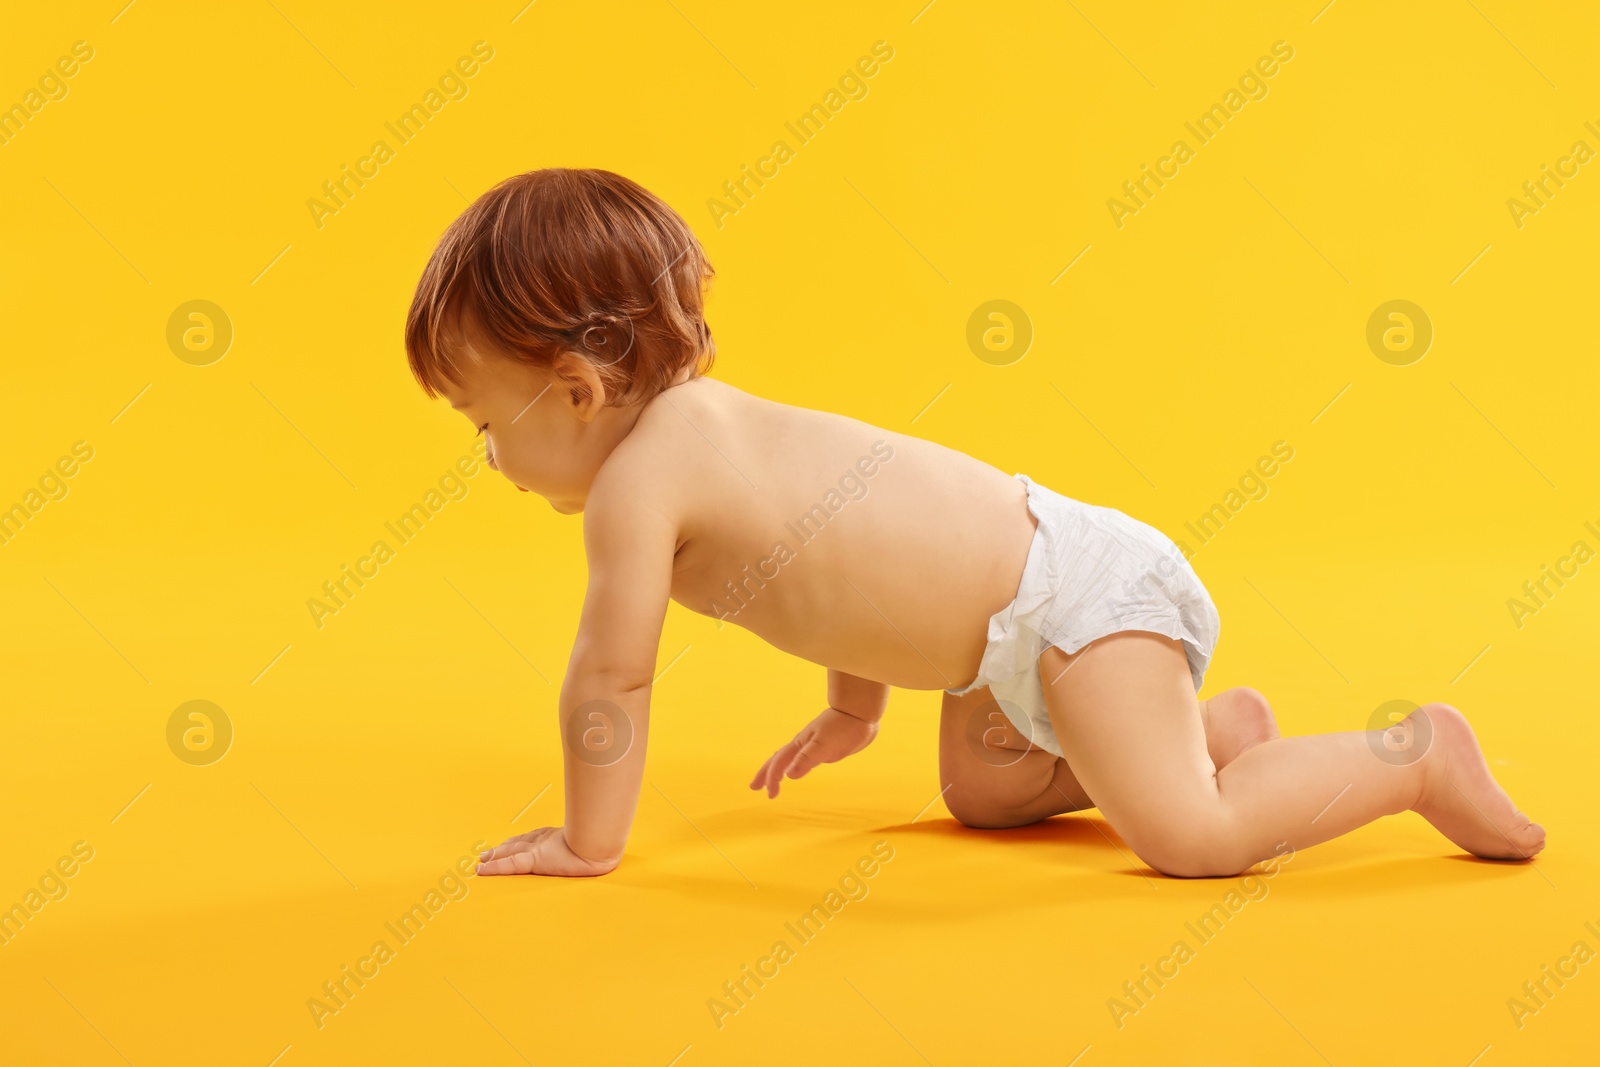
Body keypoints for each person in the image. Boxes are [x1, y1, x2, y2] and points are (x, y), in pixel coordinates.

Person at [402, 167, 1544, 879]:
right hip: (998, 647)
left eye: (477, 420)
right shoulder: (709, 436)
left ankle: (1415, 755)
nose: (485, 453)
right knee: (985, 797)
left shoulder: (642, 482)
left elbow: (612, 676)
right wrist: (853, 703)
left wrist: (588, 841)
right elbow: (834, 556)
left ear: (574, 388)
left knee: (1189, 843)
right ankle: (1208, 731)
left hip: (1076, 595)